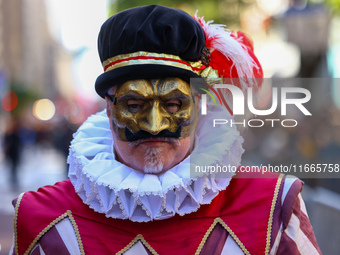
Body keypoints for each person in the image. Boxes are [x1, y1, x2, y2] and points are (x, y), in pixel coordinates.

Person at [11, 5, 321, 255]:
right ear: (109, 108)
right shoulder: (41, 220)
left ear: (199, 105)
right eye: (133, 105)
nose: (154, 125)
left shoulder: (272, 205)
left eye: (173, 104)